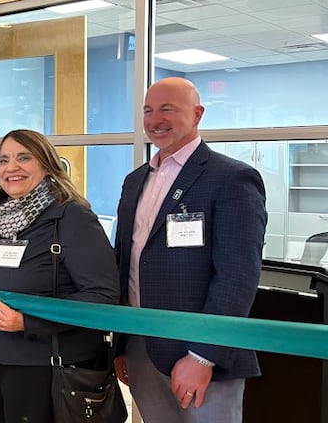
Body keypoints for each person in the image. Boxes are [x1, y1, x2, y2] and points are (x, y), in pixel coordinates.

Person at [0, 129, 120, 422]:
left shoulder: (72, 218)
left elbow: (102, 298)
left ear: (46, 164)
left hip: (44, 370)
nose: (11, 167)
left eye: (23, 158)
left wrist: (28, 322)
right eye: (3, 160)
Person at [113, 77, 267, 423]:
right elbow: (127, 261)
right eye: (148, 111)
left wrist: (202, 356)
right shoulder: (135, 181)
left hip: (203, 354)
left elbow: (237, 277)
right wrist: (123, 344)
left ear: (198, 114)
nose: (155, 120)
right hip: (141, 346)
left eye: (168, 109)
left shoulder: (232, 179)